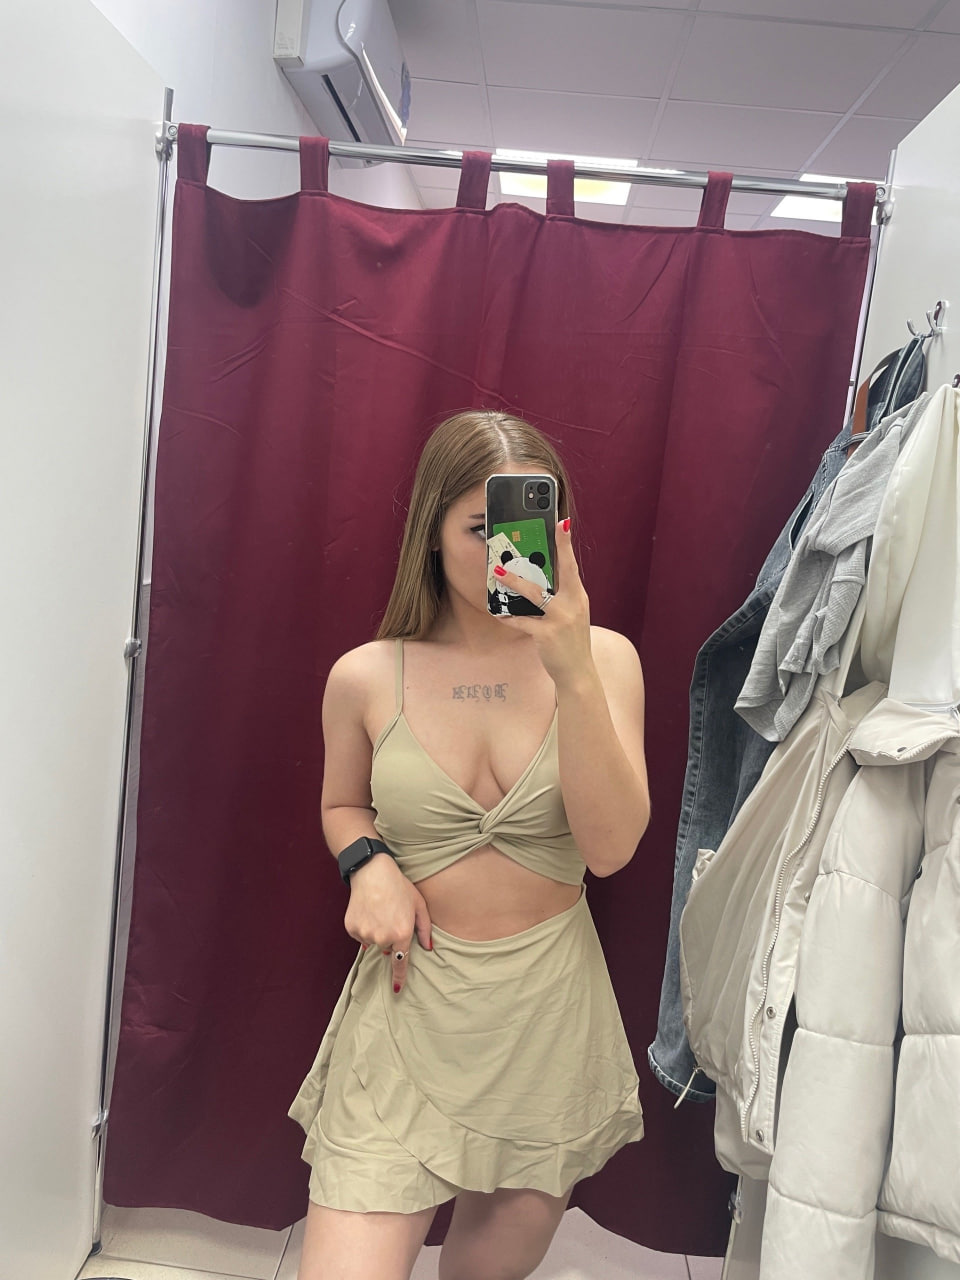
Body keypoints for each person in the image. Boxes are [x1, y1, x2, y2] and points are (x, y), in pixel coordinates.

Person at [288, 409, 650, 1280]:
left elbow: (610, 851)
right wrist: (367, 864)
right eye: (482, 528)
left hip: (546, 1018)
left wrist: (570, 669)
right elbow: (343, 804)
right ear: (431, 531)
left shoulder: (606, 662)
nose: (506, 551)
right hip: (410, 1005)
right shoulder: (366, 675)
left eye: (527, 526)